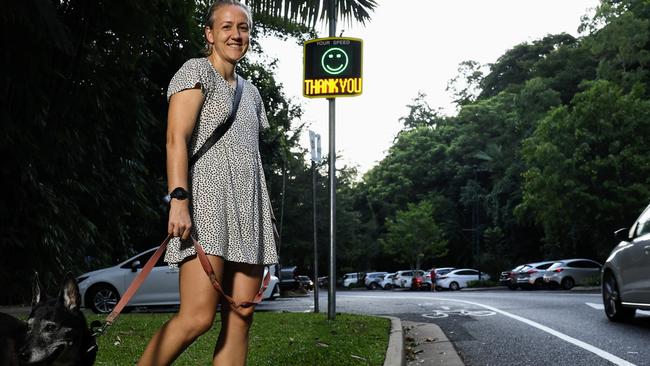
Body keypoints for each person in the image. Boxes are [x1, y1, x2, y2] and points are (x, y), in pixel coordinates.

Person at [138, 1, 278, 365]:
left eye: (243, 27)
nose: (236, 34)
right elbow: (175, 139)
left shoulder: (251, 92)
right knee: (197, 317)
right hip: (208, 206)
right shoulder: (195, 71)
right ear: (210, 34)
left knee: (241, 317)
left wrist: (267, 218)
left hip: (249, 210)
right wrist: (179, 199)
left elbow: (250, 156)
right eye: (227, 26)